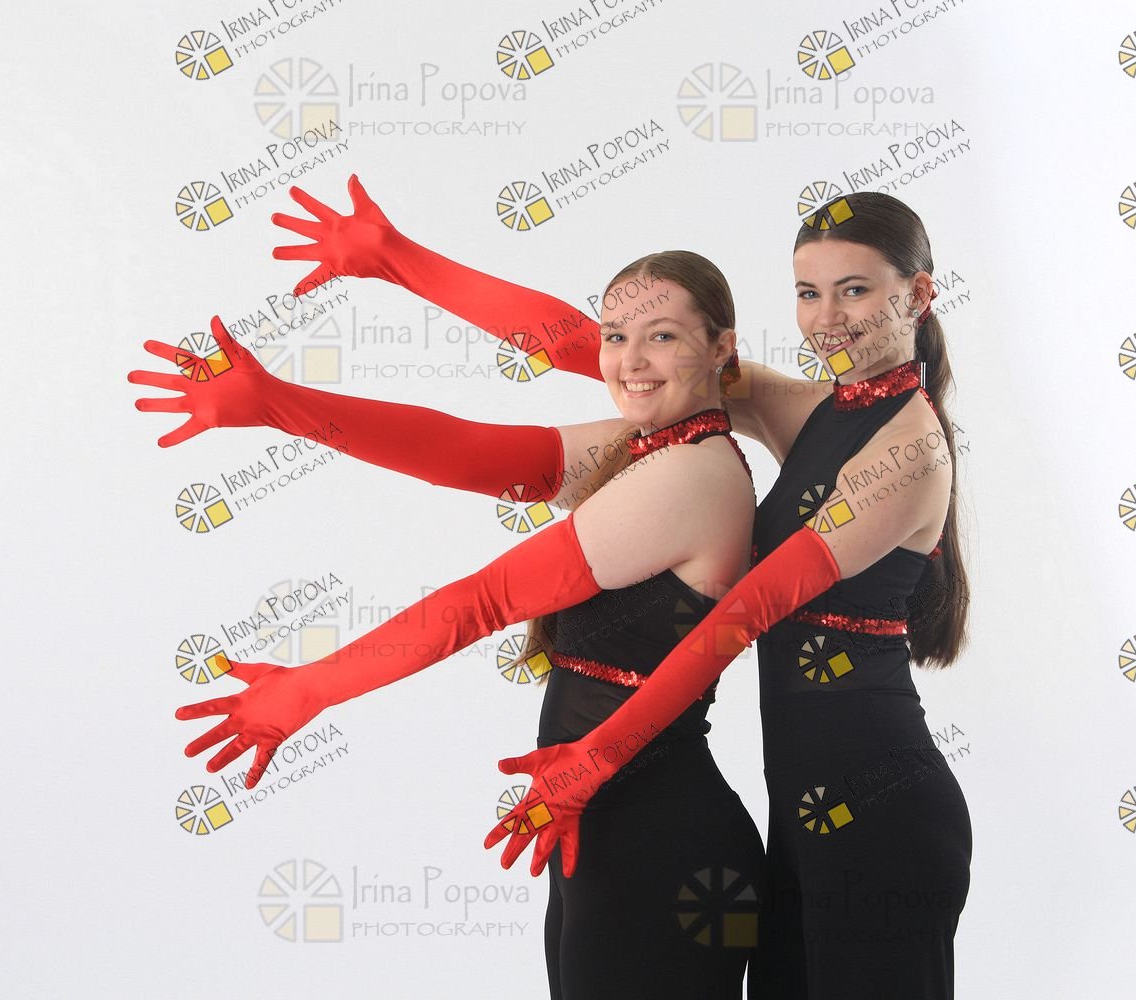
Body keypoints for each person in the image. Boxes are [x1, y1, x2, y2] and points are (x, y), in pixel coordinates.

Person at [265, 179, 973, 998]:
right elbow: (576, 343)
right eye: (808, 293)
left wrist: (594, 757)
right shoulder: (816, 410)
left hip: (880, 815)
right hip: (803, 812)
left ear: (918, 294)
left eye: (855, 290)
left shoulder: (910, 452)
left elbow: (743, 615)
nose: (827, 318)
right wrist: (396, 259)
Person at [132, 252, 766, 999]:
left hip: (658, 840)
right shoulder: (648, 448)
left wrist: (309, 689)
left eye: (661, 336)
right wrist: (279, 403)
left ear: (721, 347)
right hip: (612, 826)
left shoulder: (690, 475)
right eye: (613, 336)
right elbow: (461, 451)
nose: (629, 362)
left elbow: (482, 602)